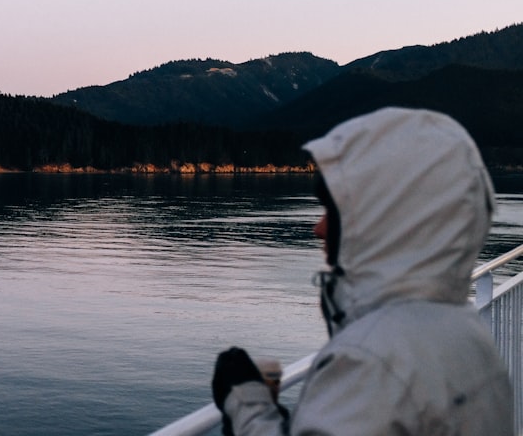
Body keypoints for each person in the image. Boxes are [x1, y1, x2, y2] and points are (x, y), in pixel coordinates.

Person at [211, 107, 513, 435]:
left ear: (381, 220)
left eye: (333, 211)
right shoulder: (466, 331)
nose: (318, 228)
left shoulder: (372, 360)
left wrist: (245, 401)